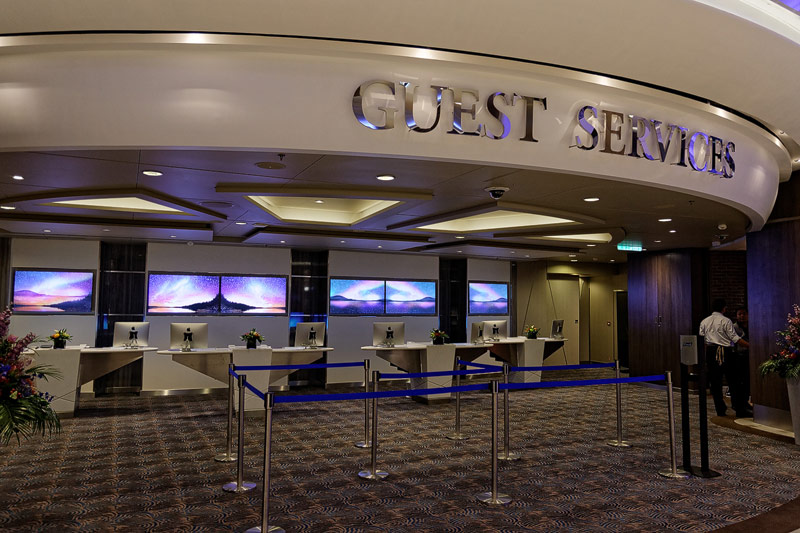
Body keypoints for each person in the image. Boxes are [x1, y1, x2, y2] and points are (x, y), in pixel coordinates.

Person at [698, 299, 751, 418]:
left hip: (710, 352)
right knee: (733, 381)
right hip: (725, 351)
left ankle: (720, 409)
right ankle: (738, 408)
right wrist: (751, 346)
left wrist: (704, 358)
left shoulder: (704, 321)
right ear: (724, 308)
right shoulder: (726, 320)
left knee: (715, 382)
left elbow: (702, 341)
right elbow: (735, 339)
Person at [733, 307, 751, 410]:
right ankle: (739, 404)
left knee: (748, 381)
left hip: (750, 356)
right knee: (740, 381)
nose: (742, 316)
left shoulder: (751, 325)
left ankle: (746, 401)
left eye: (744, 314)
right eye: (739, 314)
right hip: (739, 357)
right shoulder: (734, 327)